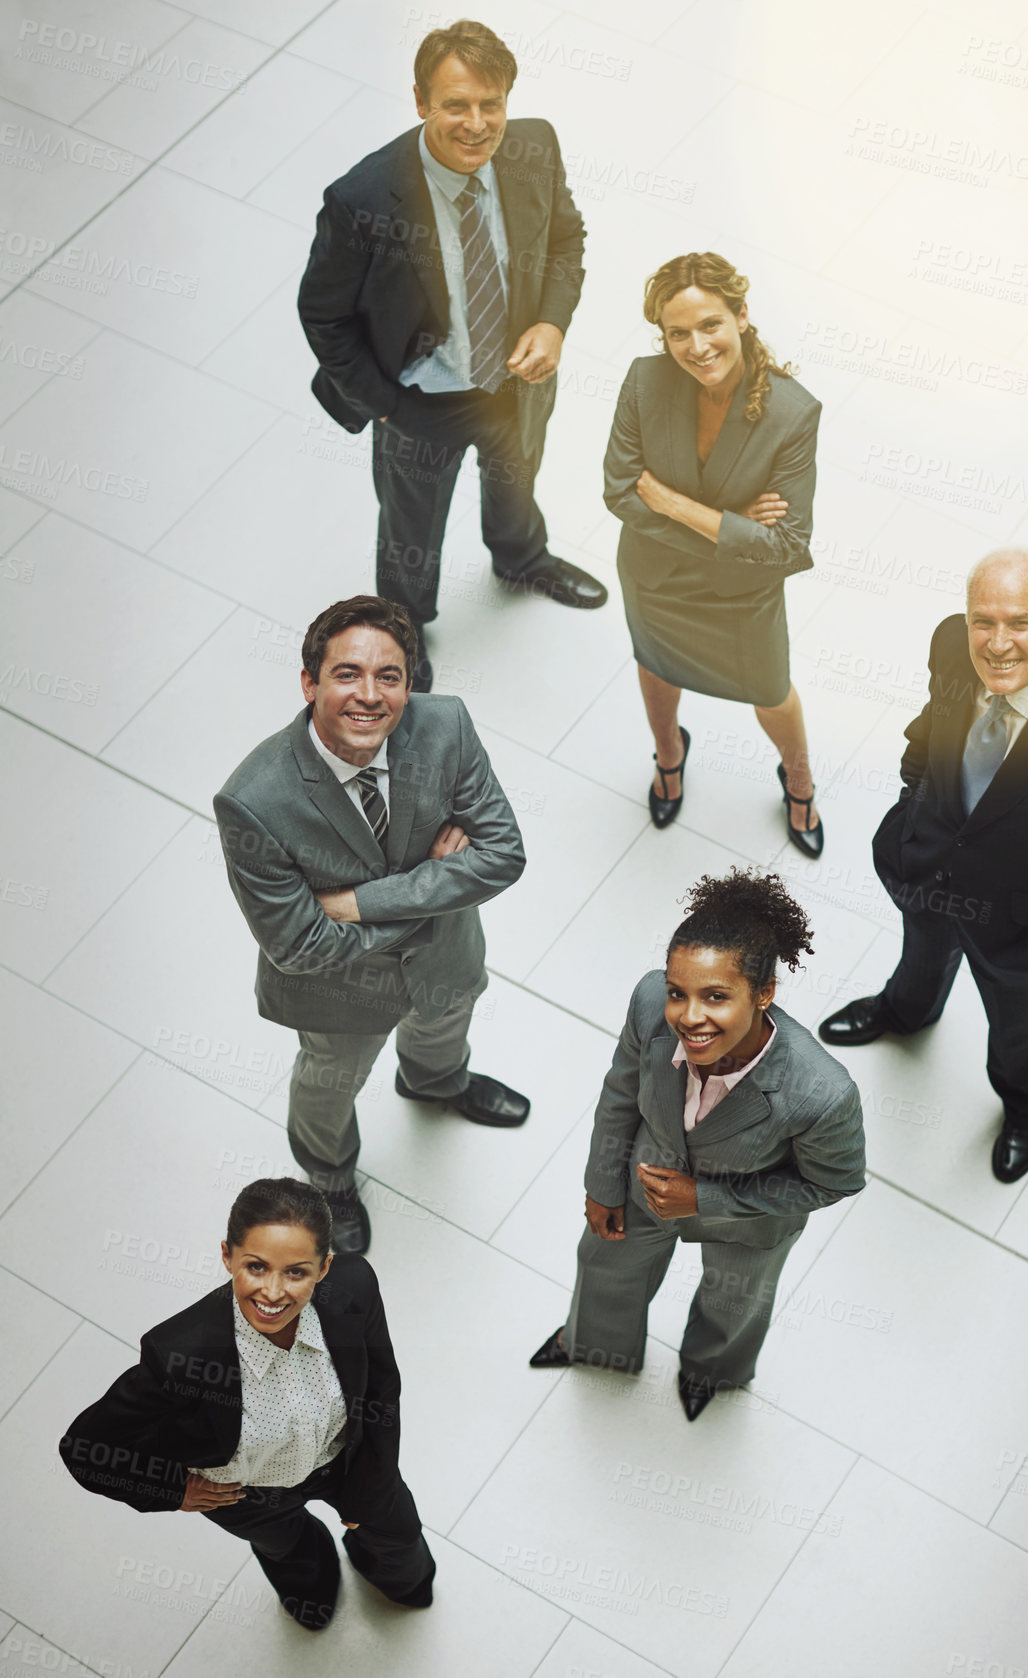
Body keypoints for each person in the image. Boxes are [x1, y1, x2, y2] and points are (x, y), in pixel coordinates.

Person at [819, 547, 1028, 1182]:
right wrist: (912, 808)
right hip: (927, 872)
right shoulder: (953, 644)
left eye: (1020, 623)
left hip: (1022, 926)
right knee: (921, 952)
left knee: (1024, 1020)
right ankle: (905, 1012)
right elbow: (930, 731)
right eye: (984, 620)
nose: (997, 643)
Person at [297, 18, 605, 692]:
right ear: (420, 102)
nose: (475, 123)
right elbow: (323, 314)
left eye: (490, 104)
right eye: (455, 105)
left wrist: (552, 324)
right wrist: (383, 408)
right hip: (418, 402)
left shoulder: (535, 146)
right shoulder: (364, 198)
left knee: (516, 476)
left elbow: (565, 240)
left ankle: (521, 557)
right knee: (410, 527)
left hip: (516, 381)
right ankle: (404, 624)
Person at [214, 595, 528, 1256]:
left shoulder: (446, 727)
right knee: (330, 1085)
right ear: (310, 683)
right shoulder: (254, 801)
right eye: (347, 674)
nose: (370, 694)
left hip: (447, 957)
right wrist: (433, 886)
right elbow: (301, 946)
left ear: (410, 686)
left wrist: (355, 901)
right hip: (337, 992)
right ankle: (328, 1178)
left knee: (445, 1024)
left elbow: (504, 856)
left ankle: (434, 1082)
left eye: (389, 676)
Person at [529, 870, 866, 1420]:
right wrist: (603, 1182)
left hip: (748, 1220)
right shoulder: (645, 1003)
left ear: (764, 994)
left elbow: (834, 1181)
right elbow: (619, 1092)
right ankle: (595, 1347)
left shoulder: (822, 1093)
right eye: (677, 993)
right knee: (604, 1263)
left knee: (733, 1303)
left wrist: (704, 1200)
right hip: (647, 1179)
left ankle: (711, 1374)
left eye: (716, 996)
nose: (690, 1017)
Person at [59, 1179, 434, 1632]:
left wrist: (369, 1485)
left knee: (396, 1534)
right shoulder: (179, 1354)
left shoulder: (354, 1285)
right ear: (227, 1257)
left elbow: (380, 1388)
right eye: (256, 1267)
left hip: (347, 1460)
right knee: (287, 1549)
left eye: (296, 1272)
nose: (273, 1292)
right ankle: (312, 1594)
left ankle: (403, 1585)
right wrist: (173, 1490)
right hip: (247, 1493)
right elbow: (84, 1448)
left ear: (325, 1268)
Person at [603, 252, 824, 853]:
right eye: (678, 333)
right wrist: (730, 527)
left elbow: (788, 547)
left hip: (741, 595)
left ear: (742, 316)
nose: (696, 346)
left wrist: (675, 507)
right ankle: (669, 755)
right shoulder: (645, 382)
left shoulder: (793, 411)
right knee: (655, 665)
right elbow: (621, 493)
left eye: (710, 325)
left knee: (771, 688)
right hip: (654, 582)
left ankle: (798, 781)